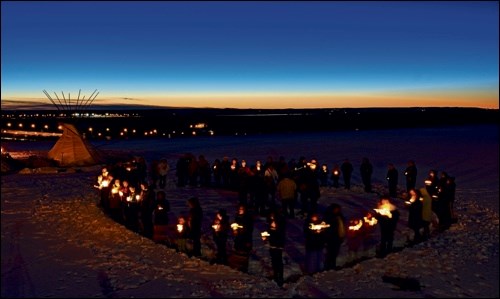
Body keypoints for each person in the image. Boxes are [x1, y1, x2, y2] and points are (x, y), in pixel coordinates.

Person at [262, 208, 286, 287]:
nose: (271, 217)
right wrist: (266, 237)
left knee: (278, 261)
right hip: (272, 244)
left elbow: (281, 233)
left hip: (278, 245)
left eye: (273, 215)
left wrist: (275, 231)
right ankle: (276, 276)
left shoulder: (280, 222)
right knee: (274, 261)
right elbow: (269, 232)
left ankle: (280, 277)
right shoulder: (270, 222)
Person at [323, 203, 346, 271]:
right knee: (330, 252)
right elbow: (327, 227)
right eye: (336, 209)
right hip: (331, 237)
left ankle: (333, 265)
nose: (337, 210)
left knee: (335, 252)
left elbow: (342, 226)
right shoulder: (329, 217)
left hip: (338, 237)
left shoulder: (340, 216)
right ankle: (328, 266)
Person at [231, 203, 254, 273]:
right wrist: (235, 229)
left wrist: (244, 229)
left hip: (245, 238)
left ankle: (244, 269)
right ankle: (238, 267)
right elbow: (235, 224)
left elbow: (249, 229)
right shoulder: (237, 217)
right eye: (239, 209)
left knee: (244, 253)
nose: (240, 211)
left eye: (242, 209)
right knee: (238, 250)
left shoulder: (248, 218)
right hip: (238, 238)